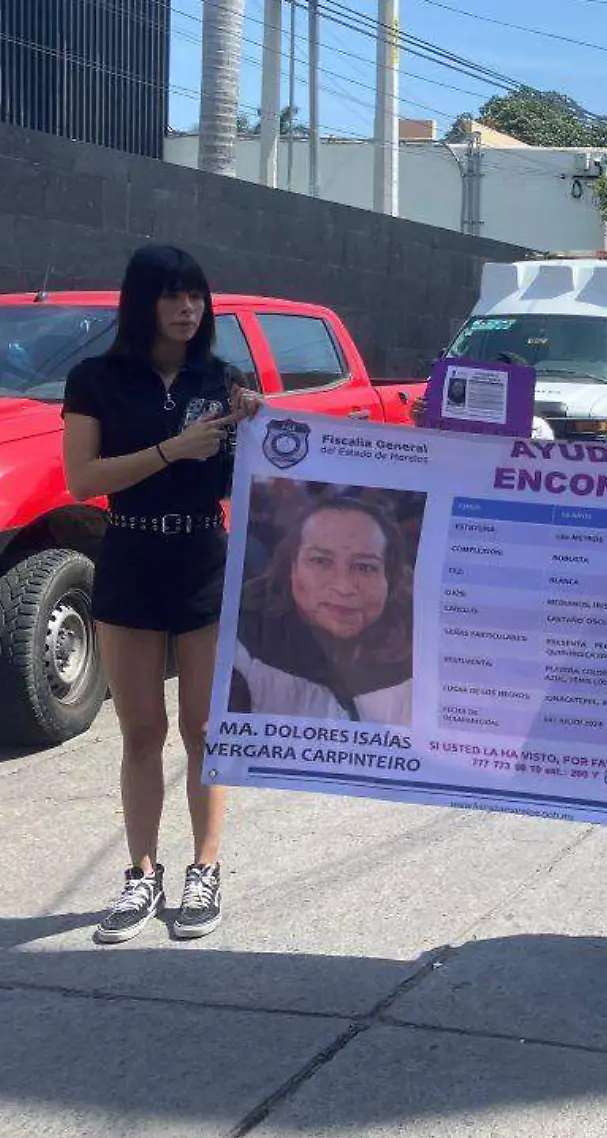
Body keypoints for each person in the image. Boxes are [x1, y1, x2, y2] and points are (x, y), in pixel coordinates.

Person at [61, 244, 260, 944]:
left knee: (204, 729)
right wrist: (172, 449)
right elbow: (83, 478)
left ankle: (205, 868)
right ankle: (142, 871)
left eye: (197, 297)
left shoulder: (224, 378)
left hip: (204, 556)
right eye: (173, 295)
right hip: (131, 556)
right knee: (140, 730)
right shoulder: (96, 379)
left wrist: (260, 426)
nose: (187, 309)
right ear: (141, 300)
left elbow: (256, 472)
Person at [229, 496, 416, 726]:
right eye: (321, 561)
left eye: (365, 567)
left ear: (391, 577)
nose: (344, 587)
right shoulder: (245, 634)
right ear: (291, 568)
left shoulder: (425, 644)